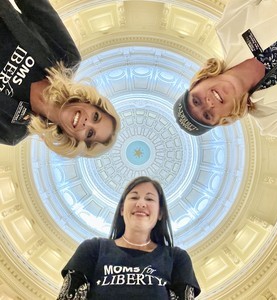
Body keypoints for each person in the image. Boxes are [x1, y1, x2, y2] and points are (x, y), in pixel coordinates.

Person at [0, 0, 120, 157]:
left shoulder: (12, 130)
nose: (86, 122)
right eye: (95, 117)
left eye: (90, 133)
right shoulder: (66, 57)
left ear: (76, 141)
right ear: (91, 104)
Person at [57, 176, 201, 299]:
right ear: (121, 209)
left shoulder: (177, 258)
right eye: (134, 197)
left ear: (160, 214)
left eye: (149, 199)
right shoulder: (93, 248)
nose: (141, 203)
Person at [174, 0, 277, 139]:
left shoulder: (229, 27)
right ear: (224, 120)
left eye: (196, 100)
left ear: (197, 83)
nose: (208, 103)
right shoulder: (275, 123)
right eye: (207, 115)